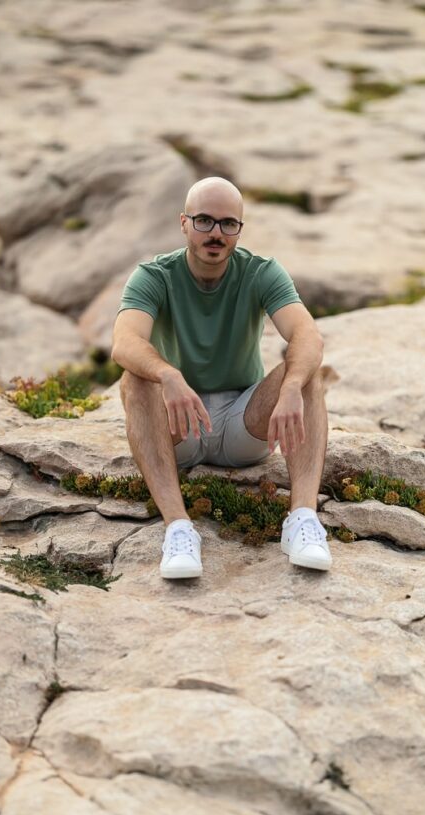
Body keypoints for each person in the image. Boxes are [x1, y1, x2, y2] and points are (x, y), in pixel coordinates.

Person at [112, 176, 332, 579]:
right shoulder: (154, 275)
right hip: (178, 427)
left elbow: (306, 334)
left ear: (239, 229)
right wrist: (168, 375)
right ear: (183, 223)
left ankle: (302, 521)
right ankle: (179, 530)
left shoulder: (261, 272)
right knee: (135, 379)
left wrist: (290, 387)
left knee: (308, 373)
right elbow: (124, 342)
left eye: (228, 223)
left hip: (242, 426)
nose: (216, 233)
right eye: (204, 221)